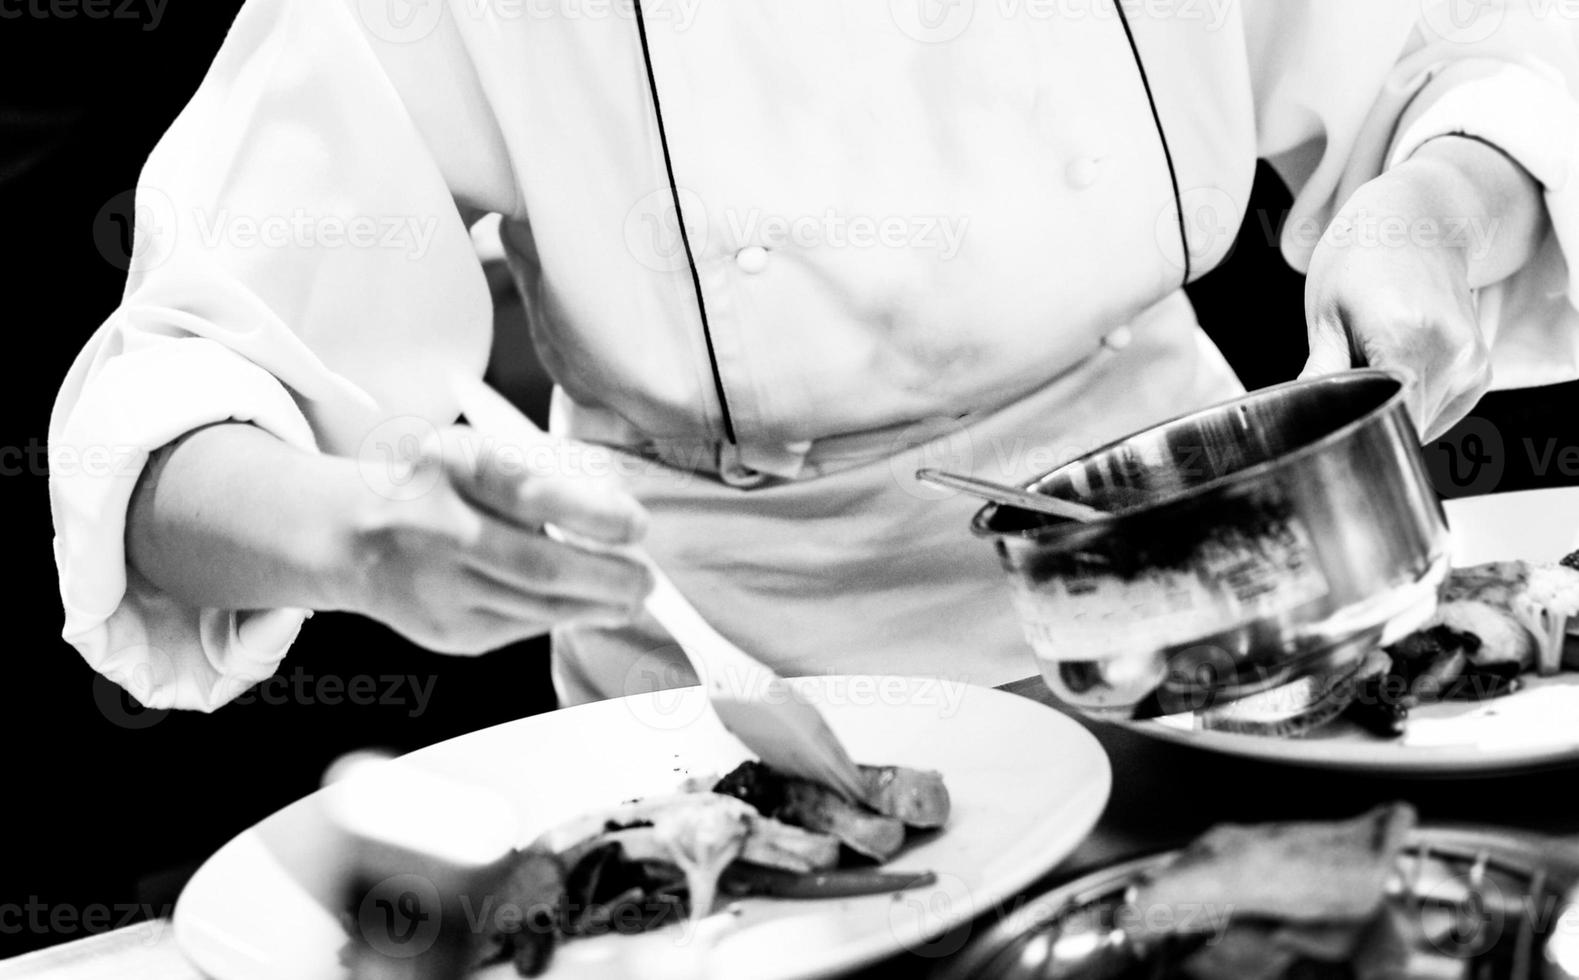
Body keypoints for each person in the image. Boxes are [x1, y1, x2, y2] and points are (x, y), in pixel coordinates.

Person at [49, 0, 1579, 711]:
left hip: (1240, 641)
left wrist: (1433, 216)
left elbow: (1475, 61)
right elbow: (181, 396)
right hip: (745, 708)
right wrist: (366, 541)